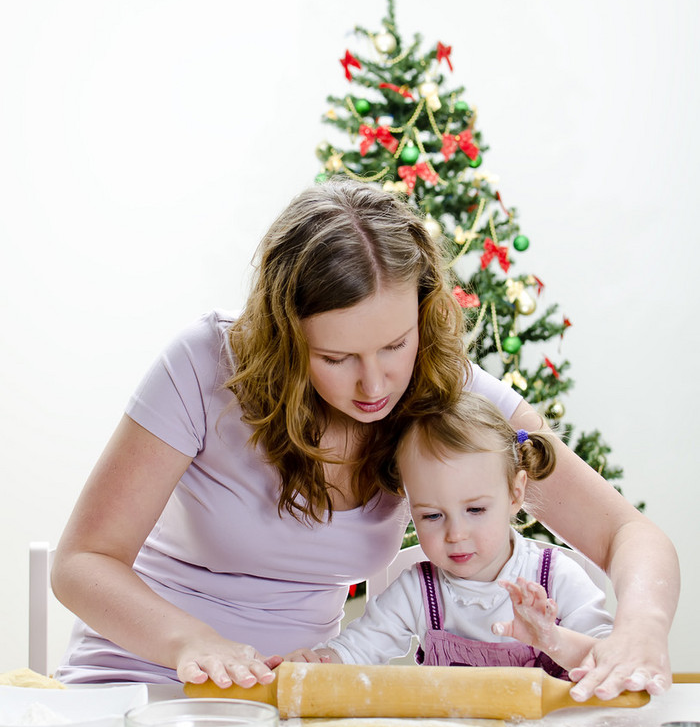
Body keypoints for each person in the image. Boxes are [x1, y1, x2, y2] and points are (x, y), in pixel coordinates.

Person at [51, 178, 677, 700]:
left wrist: (640, 628)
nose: (375, 384)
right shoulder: (204, 365)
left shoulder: (448, 392)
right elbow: (82, 562)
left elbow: (630, 533)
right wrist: (191, 642)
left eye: (395, 345)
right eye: (336, 355)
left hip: (292, 702)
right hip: (137, 682)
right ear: (283, 332)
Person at [287, 393, 613, 695]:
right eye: (431, 515)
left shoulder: (556, 577)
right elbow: (355, 651)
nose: (455, 534)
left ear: (515, 493)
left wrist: (553, 641)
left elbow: (609, 657)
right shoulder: (419, 589)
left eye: (475, 510)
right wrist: (317, 663)